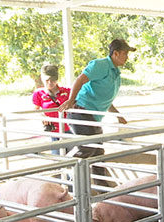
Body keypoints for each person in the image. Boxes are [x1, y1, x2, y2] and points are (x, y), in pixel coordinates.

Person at [57, 38, 133, 187]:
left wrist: (118, 115)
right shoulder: (101, 65)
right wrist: (71, 100)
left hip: (92, 116)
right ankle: (68, 168)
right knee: (89, 147)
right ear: (115, 53)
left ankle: (102, 191)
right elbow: (80, 79)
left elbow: (105, 97)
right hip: (81, 111)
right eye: (125, 53)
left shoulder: (115, 72)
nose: (127, 57)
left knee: (98, 153)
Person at [32, 64, 70, 150]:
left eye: (53, 79)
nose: (50, 82)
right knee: (57, 157)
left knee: (73, 157)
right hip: (54, 131)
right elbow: (35, 110)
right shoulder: (38, 93)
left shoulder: (67, 91)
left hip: (70, 129)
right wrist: (42, 116)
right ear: (42, 78)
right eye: (47, 80)